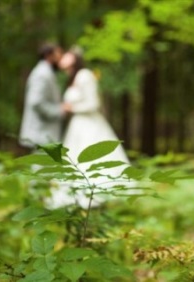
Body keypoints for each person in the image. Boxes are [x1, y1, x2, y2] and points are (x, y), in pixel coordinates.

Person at [47, 47, 130, 208]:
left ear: (75, 58)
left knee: (92, 157)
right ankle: (77, 196)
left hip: (89, 124)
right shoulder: (72, 77)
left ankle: (96, 195)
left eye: (67, 54)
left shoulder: (84, 75)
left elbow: (93, 103)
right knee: (74, 159)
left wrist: (71, 108)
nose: (63, 57)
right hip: (77, 125)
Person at [19, 43, 69, 149]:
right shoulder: (42, 74)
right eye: (58, 54)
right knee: (41, 165)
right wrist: (59, 110)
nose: (60, 58)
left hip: (45, 135)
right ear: (48, 56)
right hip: (41, 135)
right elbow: (36, 102)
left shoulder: (47, 73)